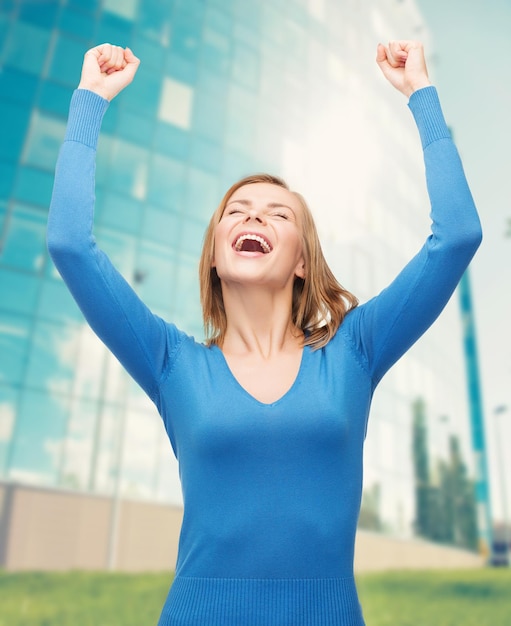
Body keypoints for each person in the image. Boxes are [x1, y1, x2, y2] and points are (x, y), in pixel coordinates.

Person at [47, 40, 482, 626]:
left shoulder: (354, 351)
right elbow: (71, 244)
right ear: (214, 258)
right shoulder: (172, 363)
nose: (253, 215)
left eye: (278, 213)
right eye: (237, 209)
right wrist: (90, 101)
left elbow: (456, 235)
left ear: (303, 260)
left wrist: (421, 94)